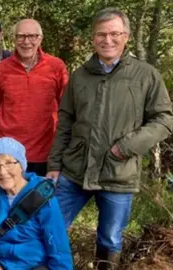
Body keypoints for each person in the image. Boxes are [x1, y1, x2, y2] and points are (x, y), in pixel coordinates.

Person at [46, 8, 173, 269]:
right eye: (101, 34)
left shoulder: (145, 75)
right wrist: (54, 165)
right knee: (50, 225)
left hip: (118, 173)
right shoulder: (80, 75)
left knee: (110, 238)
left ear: (125, 36)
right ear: (93, 38)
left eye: (114, 33)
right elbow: (65, 122)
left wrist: (125, 148)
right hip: (75, 170)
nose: (108, 40)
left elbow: (164, 120)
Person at [0, 137, 73, 269]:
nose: (3, 172)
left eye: (9, 163)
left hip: (33, 264)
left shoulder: (42, 195)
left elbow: (57, 242)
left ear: (22, 165)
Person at [0, 19, 68, 177]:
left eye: (32, 36)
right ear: (14, 39)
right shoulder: (0, 69)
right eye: (21, 36)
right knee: (10, 200)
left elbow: (65, 107)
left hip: (45, 151)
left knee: (40, 200)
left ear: (40, 39)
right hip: (9, 152)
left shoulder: (56, 67)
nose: (26, 42)